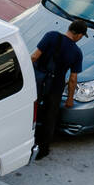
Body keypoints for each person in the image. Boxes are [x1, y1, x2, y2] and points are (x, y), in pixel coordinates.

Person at [29, 19, 86, 161]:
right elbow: (73, 79)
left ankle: (25, 142)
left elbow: (35, 57)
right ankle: (43, 149)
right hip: (55, 87)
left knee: (32, 111)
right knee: (50, 117)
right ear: (79, 35)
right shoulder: (77, 52)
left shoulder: (51, 35)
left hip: (38, 81)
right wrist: (70, 98)